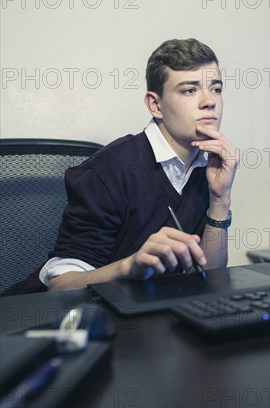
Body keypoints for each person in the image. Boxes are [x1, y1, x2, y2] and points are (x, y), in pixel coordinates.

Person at [40, 38, 238, 291]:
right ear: (155, 105)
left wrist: (220, 199)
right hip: (75, 320)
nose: (209, 101)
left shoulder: (210, 166)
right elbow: (60, 285)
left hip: (154, 315)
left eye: (216, 89)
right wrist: (129, 267)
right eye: (190, 90)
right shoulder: (110, 168)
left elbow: (210, 278)